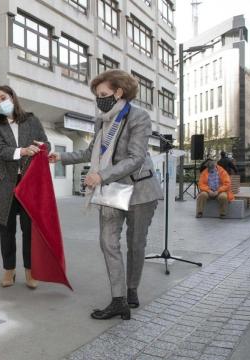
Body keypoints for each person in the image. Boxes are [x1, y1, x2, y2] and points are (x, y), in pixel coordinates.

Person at [47, 69, 162, 320]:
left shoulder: (138, 117)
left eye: (103, 94)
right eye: (97, 96)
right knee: (107, 242)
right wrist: (61, 157)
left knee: (135, 243)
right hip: (112, 191)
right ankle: (118, 299)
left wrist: (101, 175)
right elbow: (91, 152)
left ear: (119, 92)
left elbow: (136, 157)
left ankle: (132, 288)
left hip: (140, 191)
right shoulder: (102, 120)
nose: (99, 100)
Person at [0, 85, 49, 290]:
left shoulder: (31, 120)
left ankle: (30, 270)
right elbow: (0, 150)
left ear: (12, 96)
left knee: (29, 229)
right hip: (5, 183)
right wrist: (23, 151)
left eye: (3, 97)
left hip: (28, 182)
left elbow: (46, 143)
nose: (1, 103)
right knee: (6, 228)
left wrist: (42, 147)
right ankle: (9, 270)